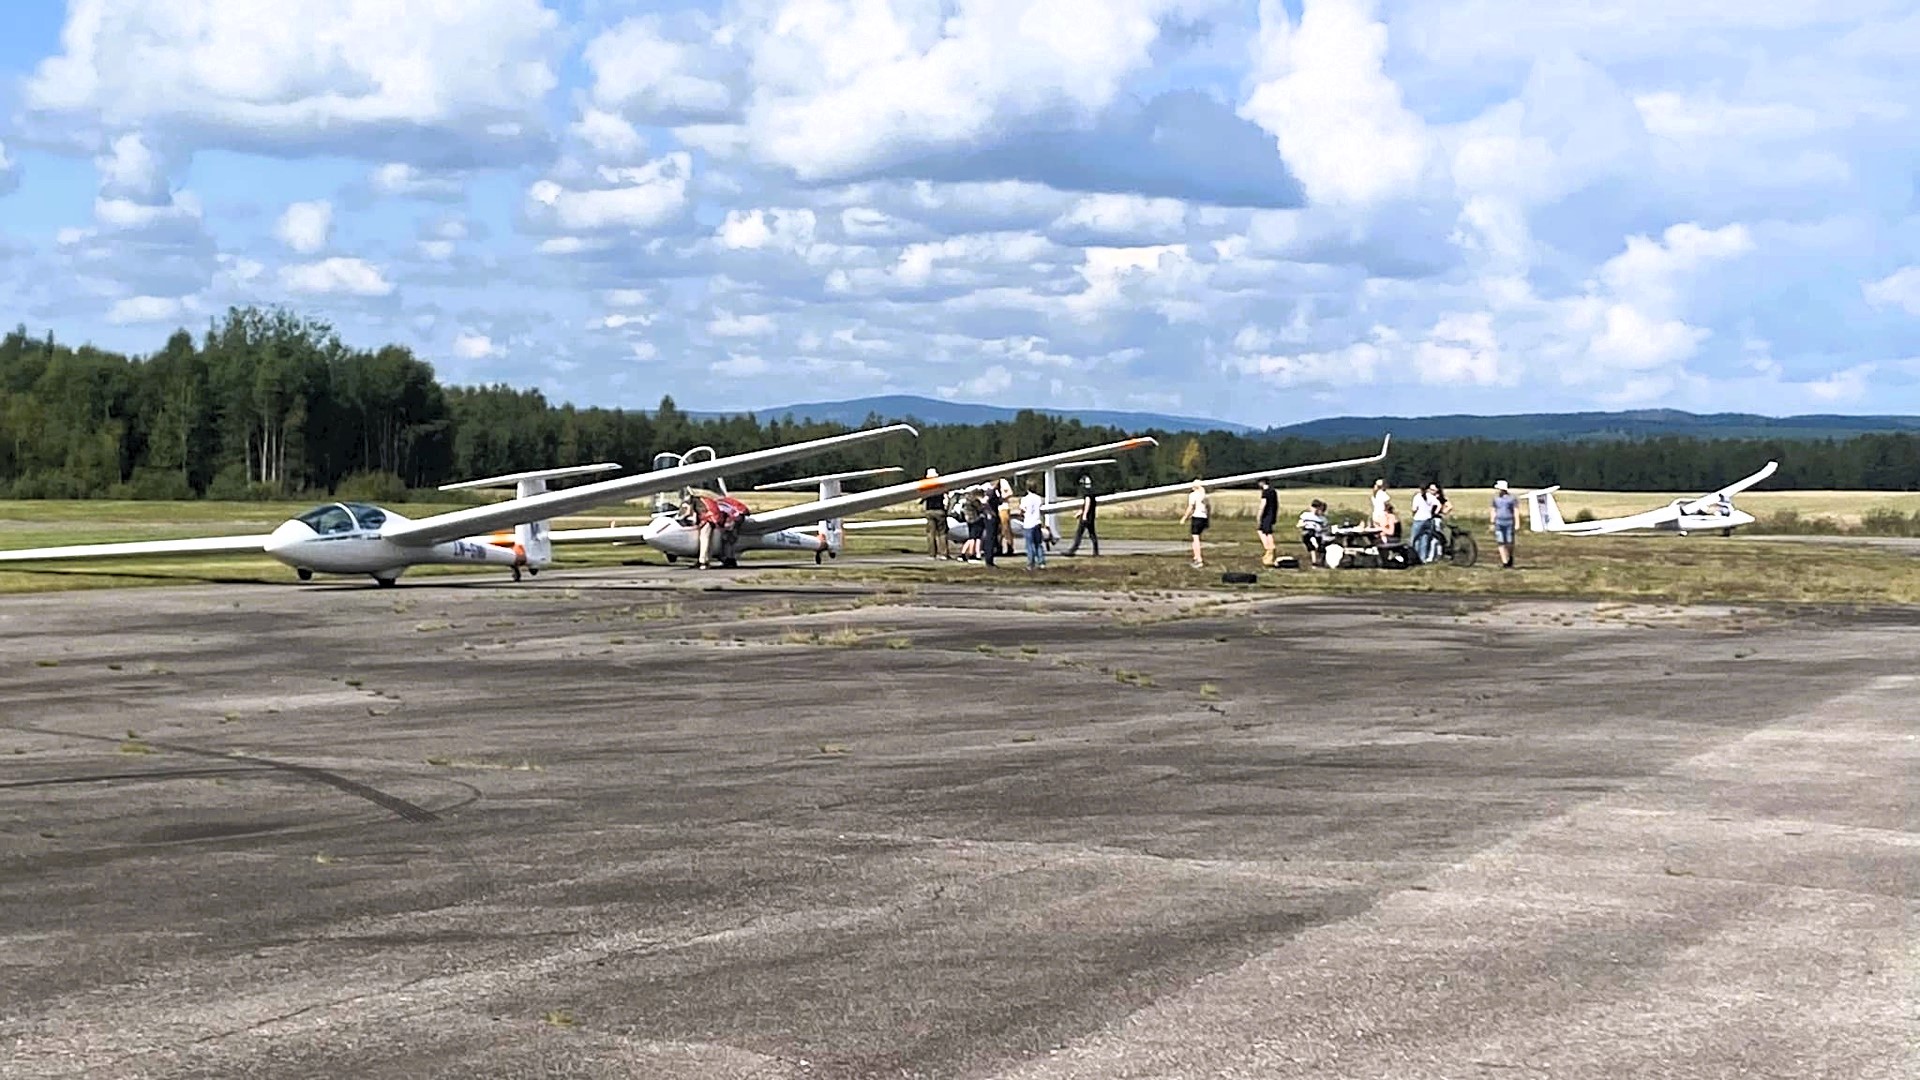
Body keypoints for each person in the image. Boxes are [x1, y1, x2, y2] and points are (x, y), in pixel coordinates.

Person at [1064, 474, 1099, 556]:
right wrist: (1079, 512)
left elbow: (1087, 502)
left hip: (1086, 517)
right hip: (1091, 516)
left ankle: (1072, 551)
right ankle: (1095, 551)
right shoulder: (1092, 492)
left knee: (1079, 534)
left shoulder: (1087, 493)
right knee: (1092, 534)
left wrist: (1084, 515)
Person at [1179, 480, 1210, 568]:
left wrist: (1184, 518)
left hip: (1197, 518)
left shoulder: (1193, 495)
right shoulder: (1204, 495)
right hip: (1204, 518)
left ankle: (1198, 559)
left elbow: (1190, 507)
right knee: (1197, 538)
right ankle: (1196, 557)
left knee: (1195, 539)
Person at [1409, 482, 1442, 564]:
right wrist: (1434, 513)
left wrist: (1413, 514)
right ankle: (1422, 558)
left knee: (1414, 539)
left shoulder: (1417, 497)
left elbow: (1414, 509)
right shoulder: (1431, 497)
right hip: (1428, 519)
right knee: (1425, 539)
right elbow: (1439, 505)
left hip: (1418, 519)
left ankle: (1413, 557)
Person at [922, 468, 950, 560]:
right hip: (939, 510)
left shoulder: (925, 486)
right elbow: (947, 497)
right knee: (942, 533)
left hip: (930, 510)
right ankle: (944, 553)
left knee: (931, 534)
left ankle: (932, 554)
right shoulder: (941, 485)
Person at [1491, 479, 1518, 568]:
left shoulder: (1512, 499)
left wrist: (1517, 522)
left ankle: (1509, 557)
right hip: (1499, 522)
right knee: (1500, 542)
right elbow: (1493, 510)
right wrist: (1492, 522)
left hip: (1509, 522)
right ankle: (1505, 562)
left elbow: (1515, 510)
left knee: (1509, 542)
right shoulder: (1495, 499)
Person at [1020, 482, 1046, 570]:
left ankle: (1030, 564)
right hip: (1037, 522)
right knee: (1038, 544)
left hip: (1028, 523)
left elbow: (1023, 510)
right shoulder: (1039, 498)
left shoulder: (1025, 499)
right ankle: (1041, 562)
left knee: (1029, 545)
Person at [1297, 499, 1329, 566]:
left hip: (1318, 534)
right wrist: (1303, 525)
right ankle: (1313, 541)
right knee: (1310, 534)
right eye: (1314, 507)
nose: (1315, 509)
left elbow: (1325, 528)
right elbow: (1299, 524)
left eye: (1317, 507)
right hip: (1307, 532)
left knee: (1314, 547)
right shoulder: (1305, 515)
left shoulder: (1322, 519)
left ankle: (1315, 561)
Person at [1255, 477, 1279, 565]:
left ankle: (1269, 548)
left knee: (1263, 531)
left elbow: (1263, 504)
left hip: (1266, 515)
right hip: (1272, 514)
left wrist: (1259, 515)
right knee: (1267, 531)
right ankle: (1269, 549)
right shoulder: (1273, 491)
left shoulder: (1266, 492)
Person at [996, 477, 1016, 556]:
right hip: (995, 508)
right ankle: (998, 547)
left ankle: (1009, 547)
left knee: (1006, 529)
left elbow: (1010, 492)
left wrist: (1002, 497)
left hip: (1003, 508)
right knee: (998, 530)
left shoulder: (1002, 481)